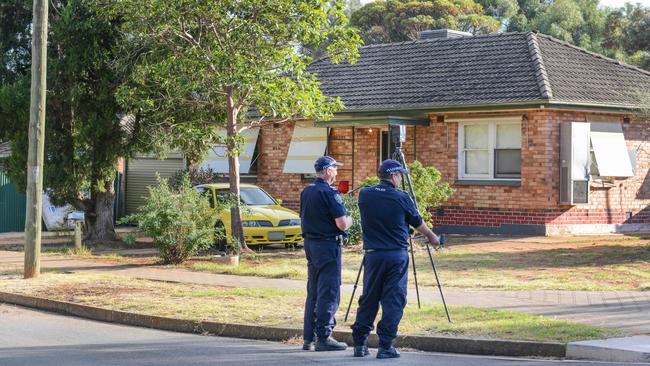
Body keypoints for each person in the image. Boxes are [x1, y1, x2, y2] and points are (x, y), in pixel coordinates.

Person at [351, 159, 439, 359]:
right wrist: (432, 236)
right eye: (400, 175)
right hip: (395, 255)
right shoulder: (401, 197)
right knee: (394, 300)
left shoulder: (365, 194)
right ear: (394, 176)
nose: (400, 179)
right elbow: (417, 222)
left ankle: (359, 343)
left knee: (369, 298)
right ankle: (385, 345)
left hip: (373, 255)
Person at [300, 156, 353, 351]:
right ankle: (324, 336)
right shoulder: (330, 194)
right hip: (328, 245)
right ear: (328, 171)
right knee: (329, 291)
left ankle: (309, 337)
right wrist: (350, 220)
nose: (337, 172)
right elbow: (341, 223)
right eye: (335, 169)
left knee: (313, 290)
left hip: (311, 244)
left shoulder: (307, 191)